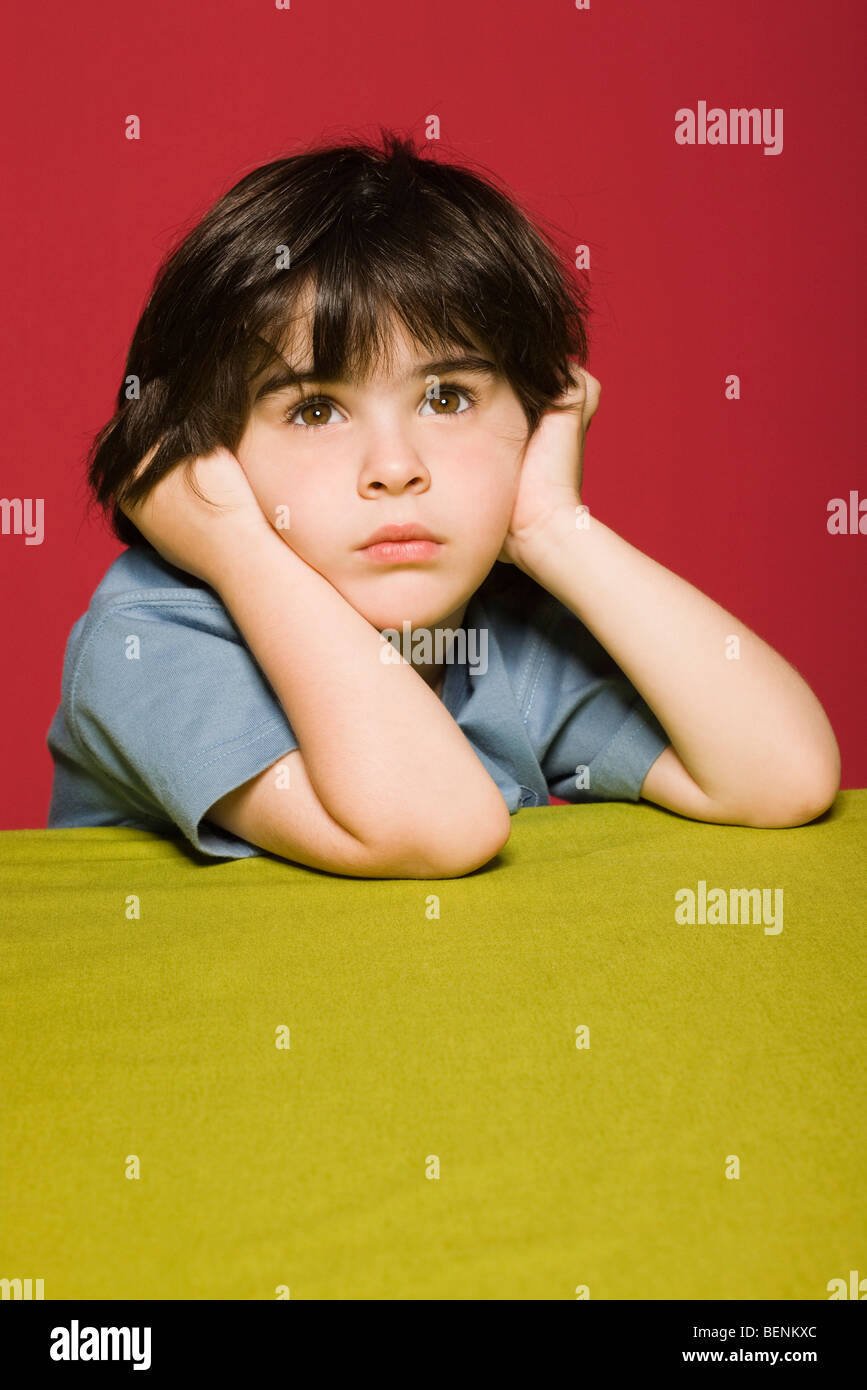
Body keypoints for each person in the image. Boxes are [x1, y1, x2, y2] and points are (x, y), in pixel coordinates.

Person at [45, 129, 840, 878]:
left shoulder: (498, 632)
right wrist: (237, 545)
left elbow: (782, 777)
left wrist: (553, 529)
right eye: (314, 410)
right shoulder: (150, 640)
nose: (395, 468)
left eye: (449, 397)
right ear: (202, 454)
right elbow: (434, 827)